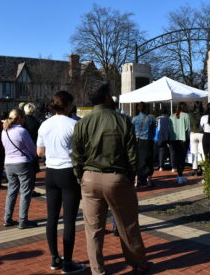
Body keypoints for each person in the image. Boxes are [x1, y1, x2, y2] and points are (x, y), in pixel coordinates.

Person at [72, 83, 150, 275]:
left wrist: (80, 176)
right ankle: (137, 261)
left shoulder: (82, 123)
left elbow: (76, 156)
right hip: (116, 177)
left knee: (93, 229)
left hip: (89, 178)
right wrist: (129, 177)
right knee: (127, 224)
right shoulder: (122, 121)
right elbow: (133, 156)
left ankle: (98, 270)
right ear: (107, 97)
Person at [37, 91, 85, 274]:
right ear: (68, 105)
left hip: (50, 173)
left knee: (52, 217)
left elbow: (39, 152)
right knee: (69, 220)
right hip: (69, 172)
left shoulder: (44, 125)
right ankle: (68, 262)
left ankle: (55, 258)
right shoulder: (75, 124)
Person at [1, 108, 38, 229]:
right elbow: (32, 149)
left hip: (8, 163)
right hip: (22, 163)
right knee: (25, 192)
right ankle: (23, 219)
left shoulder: (4, 131)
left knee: (11, 191)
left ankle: (7, 218)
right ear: (20, 118)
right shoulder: (22, 131)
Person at [132, 102, 156, 187]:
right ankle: (149, 180)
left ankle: (136, 179)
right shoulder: (151, 119)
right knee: (149, 160)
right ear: (145, 108)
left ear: (138, 108)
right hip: (148, 141)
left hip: (138, 141)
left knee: (138, 160)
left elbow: (132, 131)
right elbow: (153, 132)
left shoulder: (134, 119)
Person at [169, 102, 191, 185]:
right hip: (183, 139)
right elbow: (188, 128)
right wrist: (188, 138)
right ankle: (180, 175)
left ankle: (179, 175)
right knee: (182, 158)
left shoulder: (172, 116)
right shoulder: (186, 115)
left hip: (173, 139)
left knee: (177, 157)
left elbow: (169, 128)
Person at [23, 102, 42, 197]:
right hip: (33, 146)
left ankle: (25, 188)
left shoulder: (22, 121)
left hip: (22, 147)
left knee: (25, 171)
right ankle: (31, 189)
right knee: (33, 170)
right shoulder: (36, 122)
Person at [189, 101, 204, 176]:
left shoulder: (191, 114)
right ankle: (201, 168)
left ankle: (194, 169)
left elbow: (189, 124)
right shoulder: (203, 113)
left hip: (193, 133)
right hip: (201, 133)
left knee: (194, 152)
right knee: (201, 152)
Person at [155, 107, 171, 171]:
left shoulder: (157, 118)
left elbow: (156, 127)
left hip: (160, 136)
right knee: (171, 151)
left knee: (161, 151)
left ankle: (161, 166)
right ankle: (173, 166)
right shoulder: (169, 118)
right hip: (168, 135)